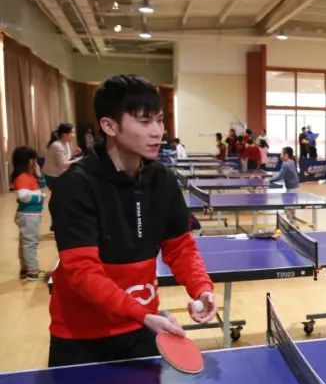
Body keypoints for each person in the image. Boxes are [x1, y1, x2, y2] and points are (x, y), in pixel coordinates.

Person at [47, 75, 216, 367]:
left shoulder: (163, 180)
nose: (158, 131)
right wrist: (141, 314)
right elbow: (82, 272)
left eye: (159, 120)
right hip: (81, 336)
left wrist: (202, 287)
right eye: (144, 121)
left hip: (142, 327)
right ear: (109, 126)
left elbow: (180, 248)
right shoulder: (75, 185)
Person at [12, 146, 47, 280]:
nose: (35, 162)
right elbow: (23, 196)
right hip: (28, 215)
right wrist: (40, 197)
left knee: (25, 242)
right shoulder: (22, 177)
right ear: (26, 161)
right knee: (30, 243)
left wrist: (39, 175)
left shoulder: (30, 176)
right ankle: (33, 271)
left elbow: (42, 187)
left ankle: (25, 269)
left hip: (30, 214)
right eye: (33, 160)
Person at [43, 123, 78, 190]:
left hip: (60, 174)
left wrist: (73, 154)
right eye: (72, 132)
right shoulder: (57, 146)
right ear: (64, 135)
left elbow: (65, 158)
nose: (74, 135)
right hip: (53, 176)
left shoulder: (66, 143)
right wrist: (77, 160)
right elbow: (62, 164)